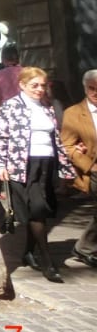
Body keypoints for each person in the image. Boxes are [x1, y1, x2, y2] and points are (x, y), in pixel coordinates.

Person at [0, 66, 75, 282]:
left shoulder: (47, 107)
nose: (39, 89)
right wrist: (1, 165)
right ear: (22, 85)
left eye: (42, 85)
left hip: (47, 164)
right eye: (34, 85)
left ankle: (28, 252)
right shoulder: (10, 107)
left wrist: (65, 167)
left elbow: (56, 139)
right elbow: (2, 139)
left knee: (38, 211)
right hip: (22, 166)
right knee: (38, 209)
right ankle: (47, 261)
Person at [61, 70, 97, 269]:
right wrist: (90, 166)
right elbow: (66, 146)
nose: (96, 92)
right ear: (85, 88)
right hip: (92, 171)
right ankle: (85, 247)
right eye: (92, 88)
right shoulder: (73, 113)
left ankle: (85, 247)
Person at [0, 44, 21, 137]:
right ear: (18, 57)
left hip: (7, 116)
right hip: (26, 113)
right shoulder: (26, 72)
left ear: (3, 59)